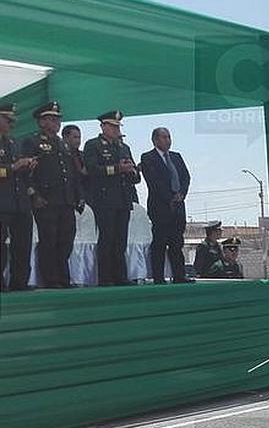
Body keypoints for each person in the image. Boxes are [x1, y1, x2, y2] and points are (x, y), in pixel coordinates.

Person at [21, 101, 83, 288]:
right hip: (46, 200)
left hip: (65, 200)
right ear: (41, 122)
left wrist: (78, 195)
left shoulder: (62, 144)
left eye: (57, 119)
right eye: (51, 119)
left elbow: (72, 172)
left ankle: (63, 278)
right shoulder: (31, 141)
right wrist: (34, 195)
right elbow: (26, 173)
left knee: (66, 239)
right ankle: (50, 279)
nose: (56, 123)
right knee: (49, 240)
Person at [84, 110, 141, 286]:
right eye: (113, 126)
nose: (116, 130)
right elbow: (92, 170)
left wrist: (133, 171)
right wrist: (117, 168)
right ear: (103, 127)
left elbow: (134, 177)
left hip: (123, 199)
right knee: (107, 239)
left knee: (120, 241)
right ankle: (106, 278)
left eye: (118, 127)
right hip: (104, 199)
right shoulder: (93, 145)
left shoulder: (124, 147)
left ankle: (120, 276)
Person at [141, 127, 191, 284]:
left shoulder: (176, 157)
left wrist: (180, 195)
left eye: (169, 137)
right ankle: (158, 277)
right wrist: (169, 197)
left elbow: (186, 177)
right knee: (160, 243)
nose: (168, 140)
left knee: (177, 243)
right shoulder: (148, 157)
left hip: (178, 206)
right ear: (155, 140)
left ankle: (179, 276)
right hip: (160, 207)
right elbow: (154, 181)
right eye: (164, 137)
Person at [0, 103, 35, 291]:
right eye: (8, 120)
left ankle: (20, 282)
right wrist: (13, 167)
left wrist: (27, 167)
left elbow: (17, 172)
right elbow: (9, 169)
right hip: (2, 201)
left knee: (22, 244)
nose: (11, 124)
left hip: (19, 201)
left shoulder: (14, 143)